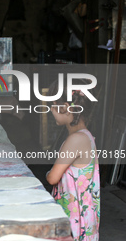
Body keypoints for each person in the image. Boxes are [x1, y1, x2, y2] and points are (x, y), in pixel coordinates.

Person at [46, 79, 100, 241]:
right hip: (82, 218)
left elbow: (53, 178)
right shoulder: (85, 136)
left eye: (53, 105)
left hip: (75, 222)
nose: (51, 110)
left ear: (67, 108)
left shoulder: (75, 140)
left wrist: (49, 172)